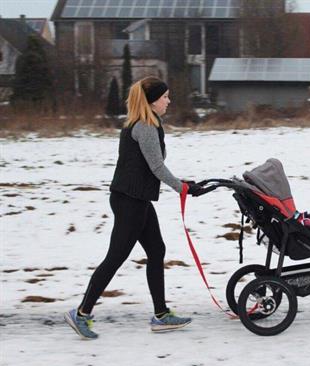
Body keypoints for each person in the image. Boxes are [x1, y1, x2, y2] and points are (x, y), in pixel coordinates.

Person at [64, 76, 205, 339]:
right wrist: (182, 188)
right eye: (165, 97)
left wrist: (183, 184)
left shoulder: (144, 123)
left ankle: (161, 315)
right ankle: (81, 313)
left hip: (135, 198)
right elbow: (157, 167)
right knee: (116, 257)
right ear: (152, 101)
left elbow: (150, 168)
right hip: (130, 200)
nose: (168, 101)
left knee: (156, 249)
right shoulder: (146, 127)